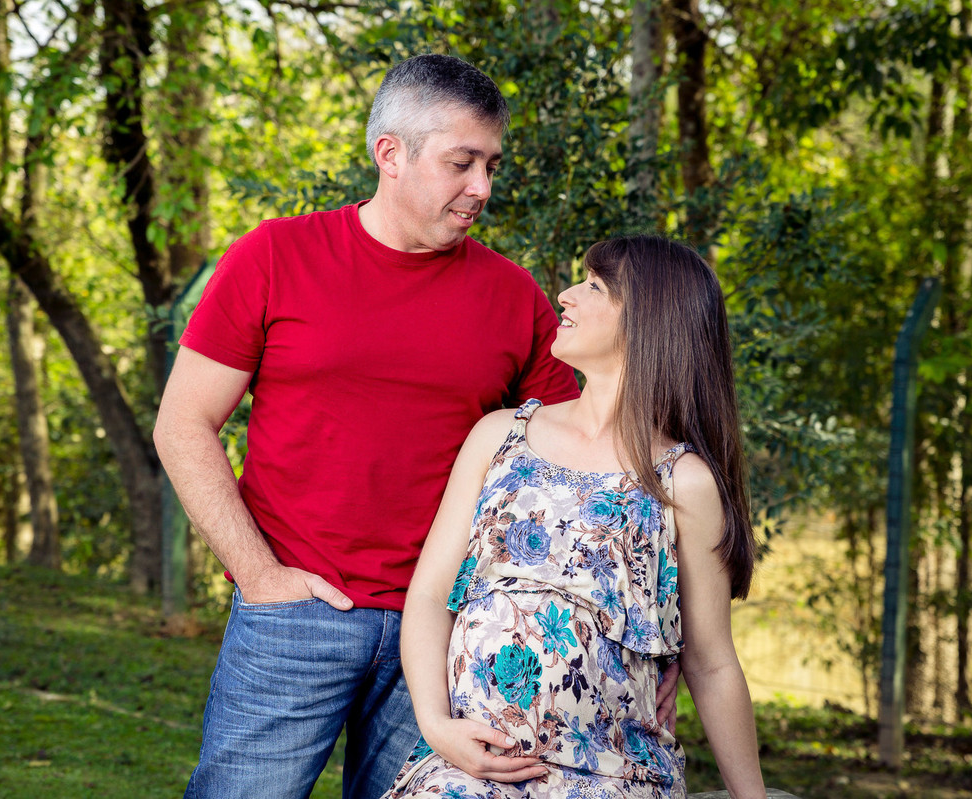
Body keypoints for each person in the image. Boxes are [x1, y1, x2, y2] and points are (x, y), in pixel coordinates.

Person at [153, 55, 679, 799]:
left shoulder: (514, 298)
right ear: (390, 155)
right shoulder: (274, 256)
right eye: (462, 162)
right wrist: (261, 574)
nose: (483, 188)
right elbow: (182, 424)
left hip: (445, 630)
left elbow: (596, 457)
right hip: (296, 614)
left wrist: (666, 630)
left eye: (492, 164)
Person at [382, 234, 765, 799]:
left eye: (593, 286)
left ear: (648, 322)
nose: (565, 295)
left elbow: (712, 664)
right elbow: (430, 595)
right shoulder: (499, 437)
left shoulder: (682, 481)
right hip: (470, 764)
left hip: (612, 772)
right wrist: (437, 727)